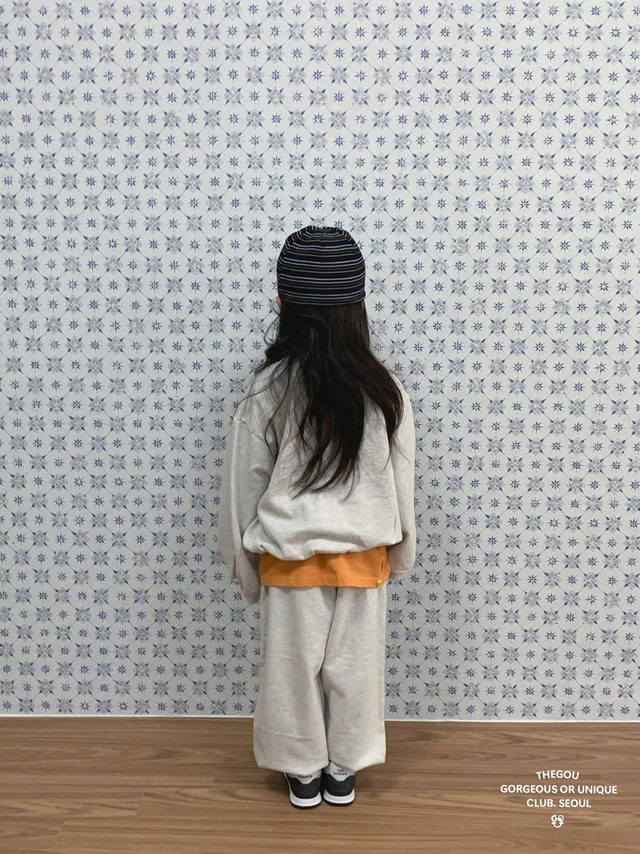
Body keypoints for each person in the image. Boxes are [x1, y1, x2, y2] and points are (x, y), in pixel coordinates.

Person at [217, 224, 417, 809]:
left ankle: (301, 771)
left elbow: (243, 488)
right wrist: (399, 555)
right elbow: (401, 487)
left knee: (289, 674)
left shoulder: (267, 390)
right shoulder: (385, 391)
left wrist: (244, 569)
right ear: (359, 308)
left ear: (282, 304)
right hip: (365, 558)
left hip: (289, 560)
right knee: (357, 672)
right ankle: (343, 769)